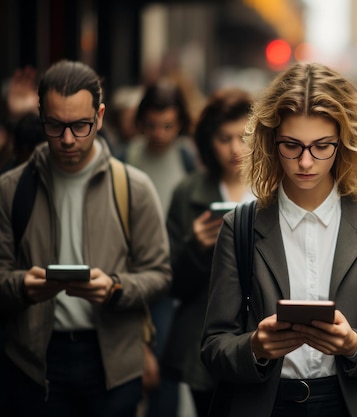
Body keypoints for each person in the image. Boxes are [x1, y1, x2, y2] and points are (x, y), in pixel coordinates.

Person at [200, 62, 357, 417]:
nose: (306, 162)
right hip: (267, 403)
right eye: (292, 146)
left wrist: (354, 344)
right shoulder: (241, 226)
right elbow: (213, 347)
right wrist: (256, 346)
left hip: (348, 405)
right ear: (271, 141)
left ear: (344, 143)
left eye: (322, 146)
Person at [0, 60, 171, 416]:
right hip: (35, 360)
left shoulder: (133, 187)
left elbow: (159, 274)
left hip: (114, 361)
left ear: (101, 116)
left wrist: (115, 288)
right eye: (55, 125)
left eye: (80, 125)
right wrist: (24, 287)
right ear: (40, 114)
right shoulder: (11, 189)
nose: (67, 139)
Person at [160, 87, 255, 417]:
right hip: (204, 333)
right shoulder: (189, 192)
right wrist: (196, 246)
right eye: (224, 138)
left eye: (244, 136)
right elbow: (171, 280)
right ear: (207, 142)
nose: (235, 149)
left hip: (261, 332)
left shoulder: (276, 190)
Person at [119, 80, 198, 416]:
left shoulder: (187, 158)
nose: (160, 133)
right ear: (141, 122)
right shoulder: (127, 157)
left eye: (168, 125)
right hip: (129, 270)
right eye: (152, 125)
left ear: (180, 123)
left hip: (172, 276)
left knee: (164, 365)